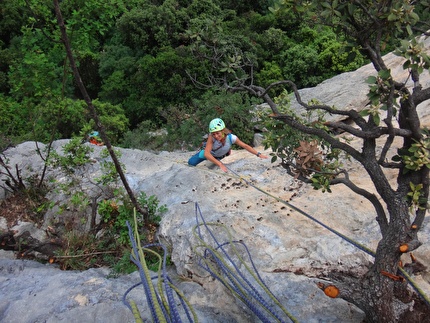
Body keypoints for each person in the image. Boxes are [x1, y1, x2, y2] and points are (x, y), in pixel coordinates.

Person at [188, 118, 268, 172]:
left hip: (219, 155)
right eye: (213, 134)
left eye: (217, 133)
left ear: (223, 131)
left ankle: (224, 153)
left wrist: (258, 154)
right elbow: (206, 153)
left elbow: (245, 146)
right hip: (210, 154)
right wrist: (220, 164)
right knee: (191, 162)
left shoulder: (231, 138)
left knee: (218, 157)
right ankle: (221, 155)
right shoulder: (211, 137)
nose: (216, 136)